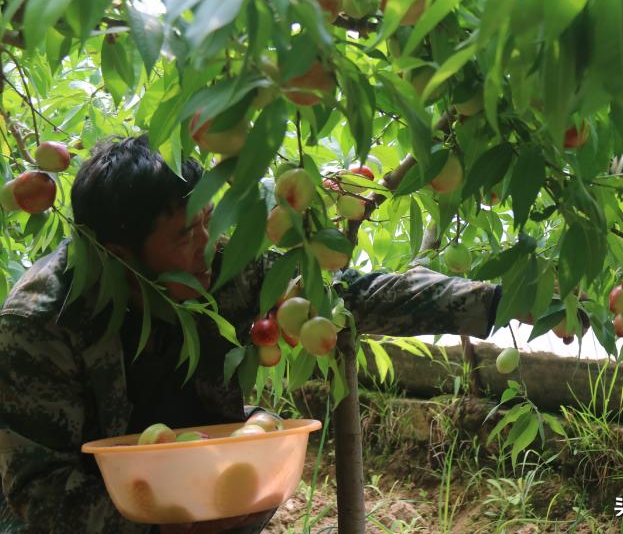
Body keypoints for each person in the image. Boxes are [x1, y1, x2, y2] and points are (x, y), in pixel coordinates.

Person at [0, 135, 506, 533]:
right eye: (184, 236)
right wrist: (165, 531)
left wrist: (494, 302)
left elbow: (343, 299)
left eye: (205, 221)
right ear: (119, 253)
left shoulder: (217, 264)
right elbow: (38, 490)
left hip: (200, 495)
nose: (206, 244)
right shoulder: (41, 324)